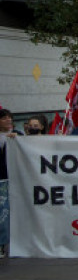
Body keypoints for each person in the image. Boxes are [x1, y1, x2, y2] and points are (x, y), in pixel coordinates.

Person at [0, 109, 22, 258]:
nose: (8, 121)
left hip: (15, 180)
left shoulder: (19, 135)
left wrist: (18, 141)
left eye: (10, 118)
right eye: (4, 118)